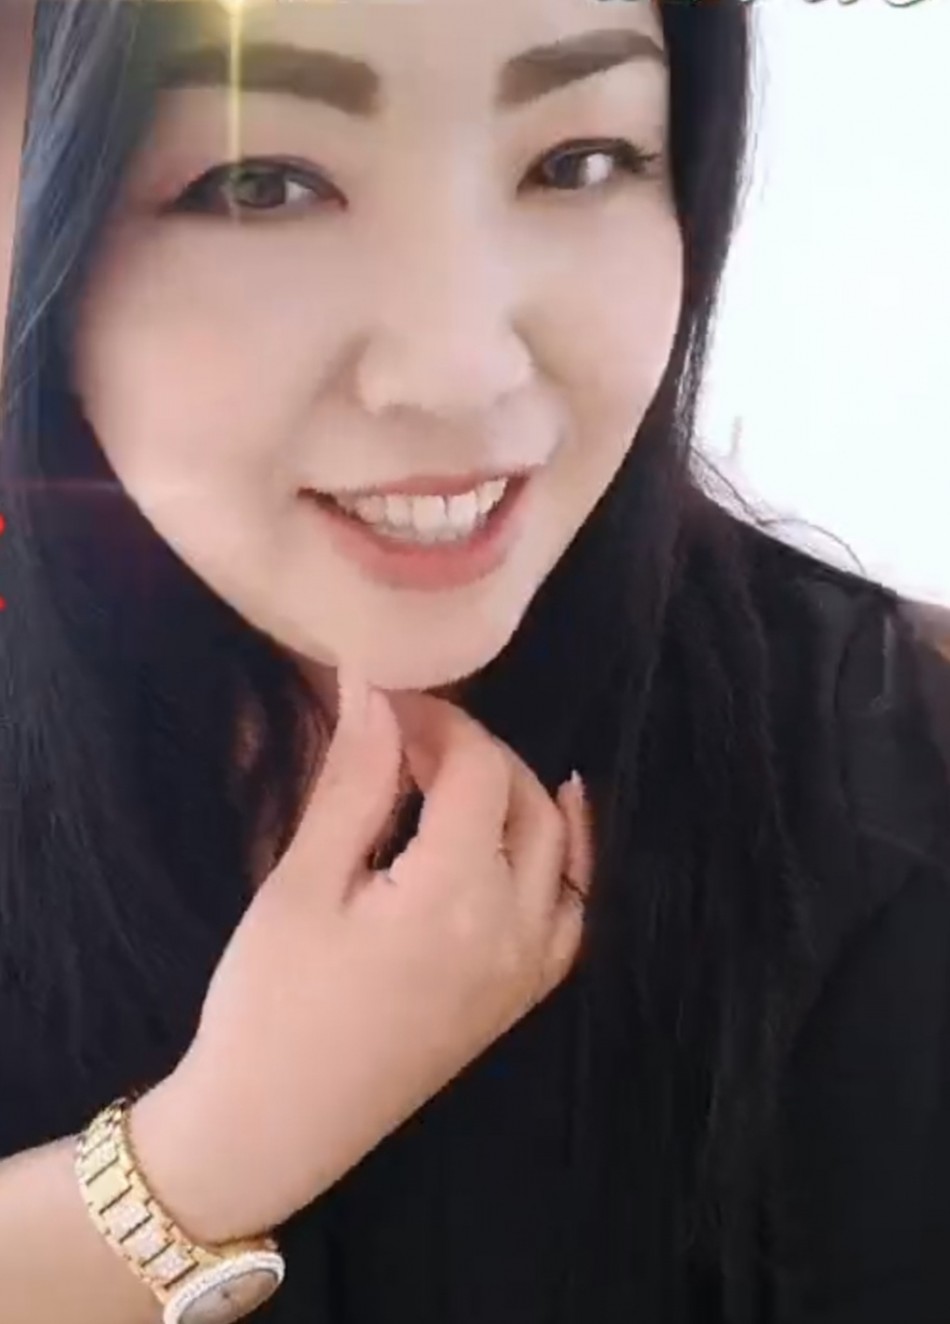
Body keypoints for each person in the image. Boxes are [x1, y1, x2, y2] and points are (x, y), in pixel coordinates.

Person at [1, 1, 949, 1322]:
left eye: (578, 160)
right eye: (260, 183)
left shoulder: (900, 788)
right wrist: (199, 1159)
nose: (460, 370)